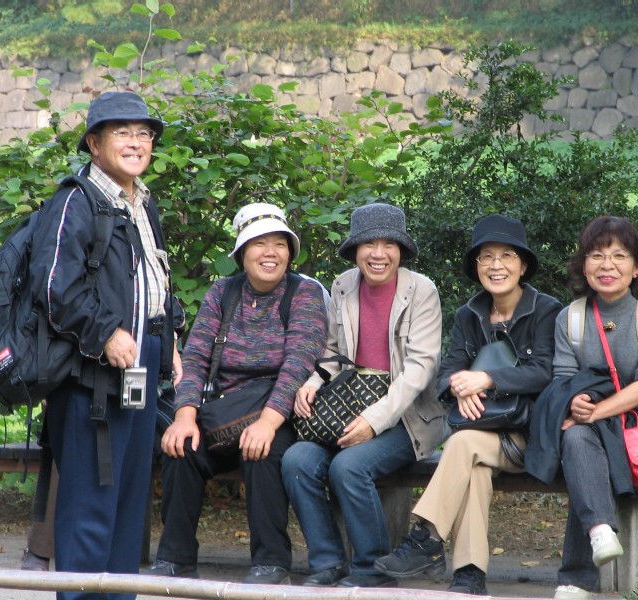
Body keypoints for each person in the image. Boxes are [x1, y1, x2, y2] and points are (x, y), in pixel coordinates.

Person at [28, 91, 183, 599]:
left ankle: (119, 596)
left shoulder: (143, 202)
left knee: (128, 502)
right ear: (94, 144)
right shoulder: (75, 201)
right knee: (89, 503)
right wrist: (105, 333)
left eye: (145, 134)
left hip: (142, 362)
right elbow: (54, 286)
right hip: (90, 370)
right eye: (123, 133)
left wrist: (168, 338)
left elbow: (156, 281)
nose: (137, 143)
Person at [373, 214, 561, 595]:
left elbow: (545, 371)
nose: (496, 265)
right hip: (481, 434)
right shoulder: (468, 314)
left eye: (507, 255)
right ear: (476, 266)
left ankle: (428, 537)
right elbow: (446, 373)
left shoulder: (546, 310)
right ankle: (469, 576)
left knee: (460, 443)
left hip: (529, 437)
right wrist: (459, 386)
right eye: (486, 256)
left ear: (523, 265)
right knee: (472, 468)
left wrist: (488, 378)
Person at [146, 203, 327, 584]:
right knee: (181, 446)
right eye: (259, 243)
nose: (270, 253)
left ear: (290, 253)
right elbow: (195, 358)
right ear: (242, 253)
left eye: (280, 244)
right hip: (224, 410)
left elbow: (299, 363)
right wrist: (185, 415)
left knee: (260, 449)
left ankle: (271, 561)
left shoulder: (304, 293)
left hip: (280, 411)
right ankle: (176, 557)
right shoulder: (223, 292)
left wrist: (267, 423)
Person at [282, 202, 445, 589]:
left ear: (401, 251)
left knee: (349, 466)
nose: (378, 253)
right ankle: (328, 561)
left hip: (406, 419)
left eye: (389, 244)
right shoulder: (343, 285)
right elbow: (333, 351)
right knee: (297, 459)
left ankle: (373, 569)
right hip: (348, 405)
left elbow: (419, 369)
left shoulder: (422, 291)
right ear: (355, 250)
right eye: (369, 244)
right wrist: (314, 381)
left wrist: (374, 422)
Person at [529, 216, 638, 600]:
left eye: (619, 256)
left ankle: (577, 578)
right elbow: (564, 380)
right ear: (583, 265)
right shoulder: (571, 318)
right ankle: (600, 533)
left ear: (636, 267)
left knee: (580, 441)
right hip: (591, 426)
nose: (606, 265)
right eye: (596, 255)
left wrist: (596, 410)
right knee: (578, 438)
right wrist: (574, 401)